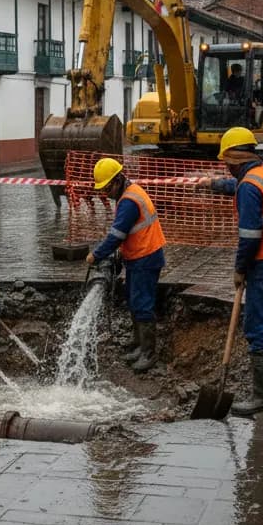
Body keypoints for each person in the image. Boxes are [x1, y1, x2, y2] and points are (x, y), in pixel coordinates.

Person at [205, 127, 263, 416]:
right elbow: (240, 187)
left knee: (260, 328)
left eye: (226, 162)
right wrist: (214, 185)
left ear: (234, 159)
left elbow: (249, 236)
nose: (226, 167)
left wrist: (240, 269)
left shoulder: (249, 186)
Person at [85, 157, 166, 373]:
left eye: (107, 188)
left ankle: (148, 353)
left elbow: (117, 235)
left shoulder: (129, 201)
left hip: (145, 257)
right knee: (133, 298)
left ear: (118, 180)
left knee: (142, 303)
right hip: (139, 256)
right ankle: (138, 344)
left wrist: (96, 255)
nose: (106, 193)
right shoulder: (129, 193)